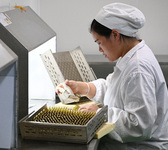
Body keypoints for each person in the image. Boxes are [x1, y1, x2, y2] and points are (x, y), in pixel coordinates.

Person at [56, 2, 168, 150]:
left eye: (100, 42)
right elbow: (114, 88)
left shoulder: (138, 68)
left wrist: (98, 113)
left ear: (115, 35)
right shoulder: (131, 55)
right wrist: (85, 88)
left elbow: (139, 126)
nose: (100, 49)